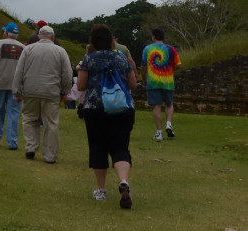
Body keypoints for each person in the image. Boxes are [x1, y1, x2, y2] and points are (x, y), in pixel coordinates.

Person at [77, 22, 137, 208]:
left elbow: (80, 86)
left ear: (93, 41)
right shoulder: (121, 58)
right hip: (122, 108)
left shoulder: (89, 59)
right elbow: (133, 84)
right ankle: (123, 180)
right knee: (120, 147)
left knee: (98, 147)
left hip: (95, 109)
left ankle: (101, 190)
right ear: (111, 40)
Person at [12, 25, 73, 163]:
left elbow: (19, 72)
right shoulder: (60, 51)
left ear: (39, 36)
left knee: (29, 118)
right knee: (51, 123)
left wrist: (16, 91)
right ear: (52, 36)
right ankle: (50, 156)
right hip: (51, 91)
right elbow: (67, 74)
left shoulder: (28, 49)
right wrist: (65, 91)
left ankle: (31, 147)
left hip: (30, 90)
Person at [0, 23, 24, 149]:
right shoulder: (22, 47)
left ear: (7, 33)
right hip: (16, 84)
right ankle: (12, 142)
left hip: (0, 81)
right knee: (13, 113)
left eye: (4, 31)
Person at [141, 27, 181, 140]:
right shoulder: (171, 49)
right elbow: (178, 65)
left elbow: (143, 67)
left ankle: (159, 132)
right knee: (169, 104)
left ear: (154, 36)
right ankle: (168, 123)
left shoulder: (147, 49)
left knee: (156, 106)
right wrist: (170, 70)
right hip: (168, 81)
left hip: (153, 82)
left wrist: (144, 79)